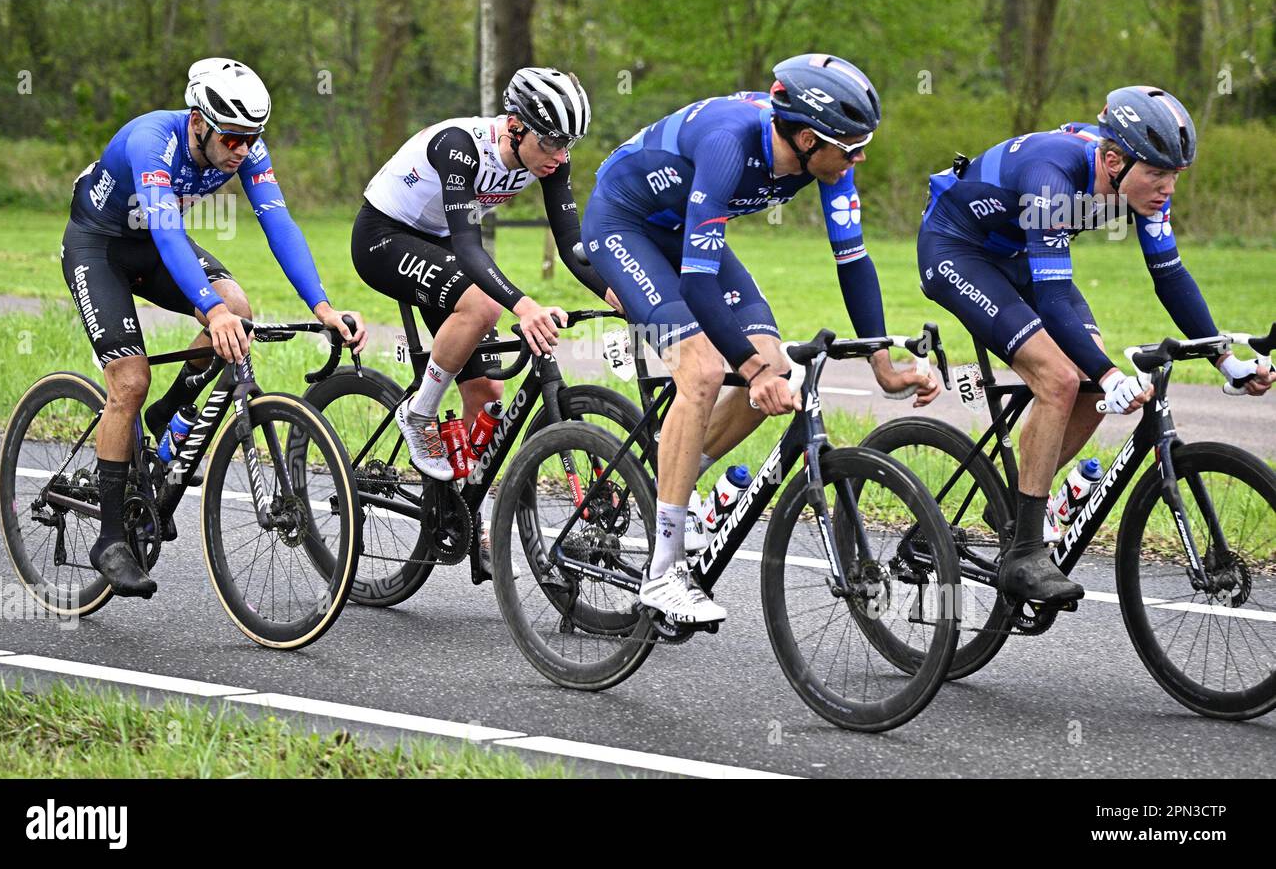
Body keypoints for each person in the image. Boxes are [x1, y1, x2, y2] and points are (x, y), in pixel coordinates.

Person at [581, 53, 939, 624]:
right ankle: (662, 572)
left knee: (784, 368)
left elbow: (853, 261)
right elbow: (697, 282)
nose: (858, 158)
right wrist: (749, 370)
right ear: (804, 137)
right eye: (849, 148)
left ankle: (672, 482)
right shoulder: (728, 145)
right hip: (623, 225)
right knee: (700, 373)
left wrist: (881, 362)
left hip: (685, 232)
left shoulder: (825, 160)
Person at [916, 85, 1272, 605]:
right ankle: (1025, 554)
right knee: (1062, 378)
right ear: (1112, 161)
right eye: (1157, 173)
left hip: (1018, 252)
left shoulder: (1141, 188)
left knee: (1089, 387)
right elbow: (1056, 294)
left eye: (1175, 175)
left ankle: (1017, 506)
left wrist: (1225, 359)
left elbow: (1169, 276)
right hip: (957, 249)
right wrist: (1110, 373)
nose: (1167, 187)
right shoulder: (1053, 177)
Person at [64, 57, 367, 597]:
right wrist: (209, 307)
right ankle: (110, 537)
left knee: (237, 305)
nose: (241, 151)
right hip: (101, 248)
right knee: (129, 382)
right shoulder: (152, 141)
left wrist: (322, 306)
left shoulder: (242, 146)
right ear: (198, 121)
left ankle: (168, 415)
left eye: (252, 138)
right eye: (231, 139)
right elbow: (166, 227)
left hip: (158, 247)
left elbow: (278, 223)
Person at [353, 66, 619, 482]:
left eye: (569, 144)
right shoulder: (459, 146)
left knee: (487, 392)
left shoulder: (550, 161)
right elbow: (469, 247)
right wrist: (525, 306)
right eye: (551, 141)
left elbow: (572, 245)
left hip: (440, 239)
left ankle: (457, 510)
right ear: (515, 127)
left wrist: (619, 294)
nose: (560, 156)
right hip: (383, 235)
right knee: (483, 307)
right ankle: (419, 414)